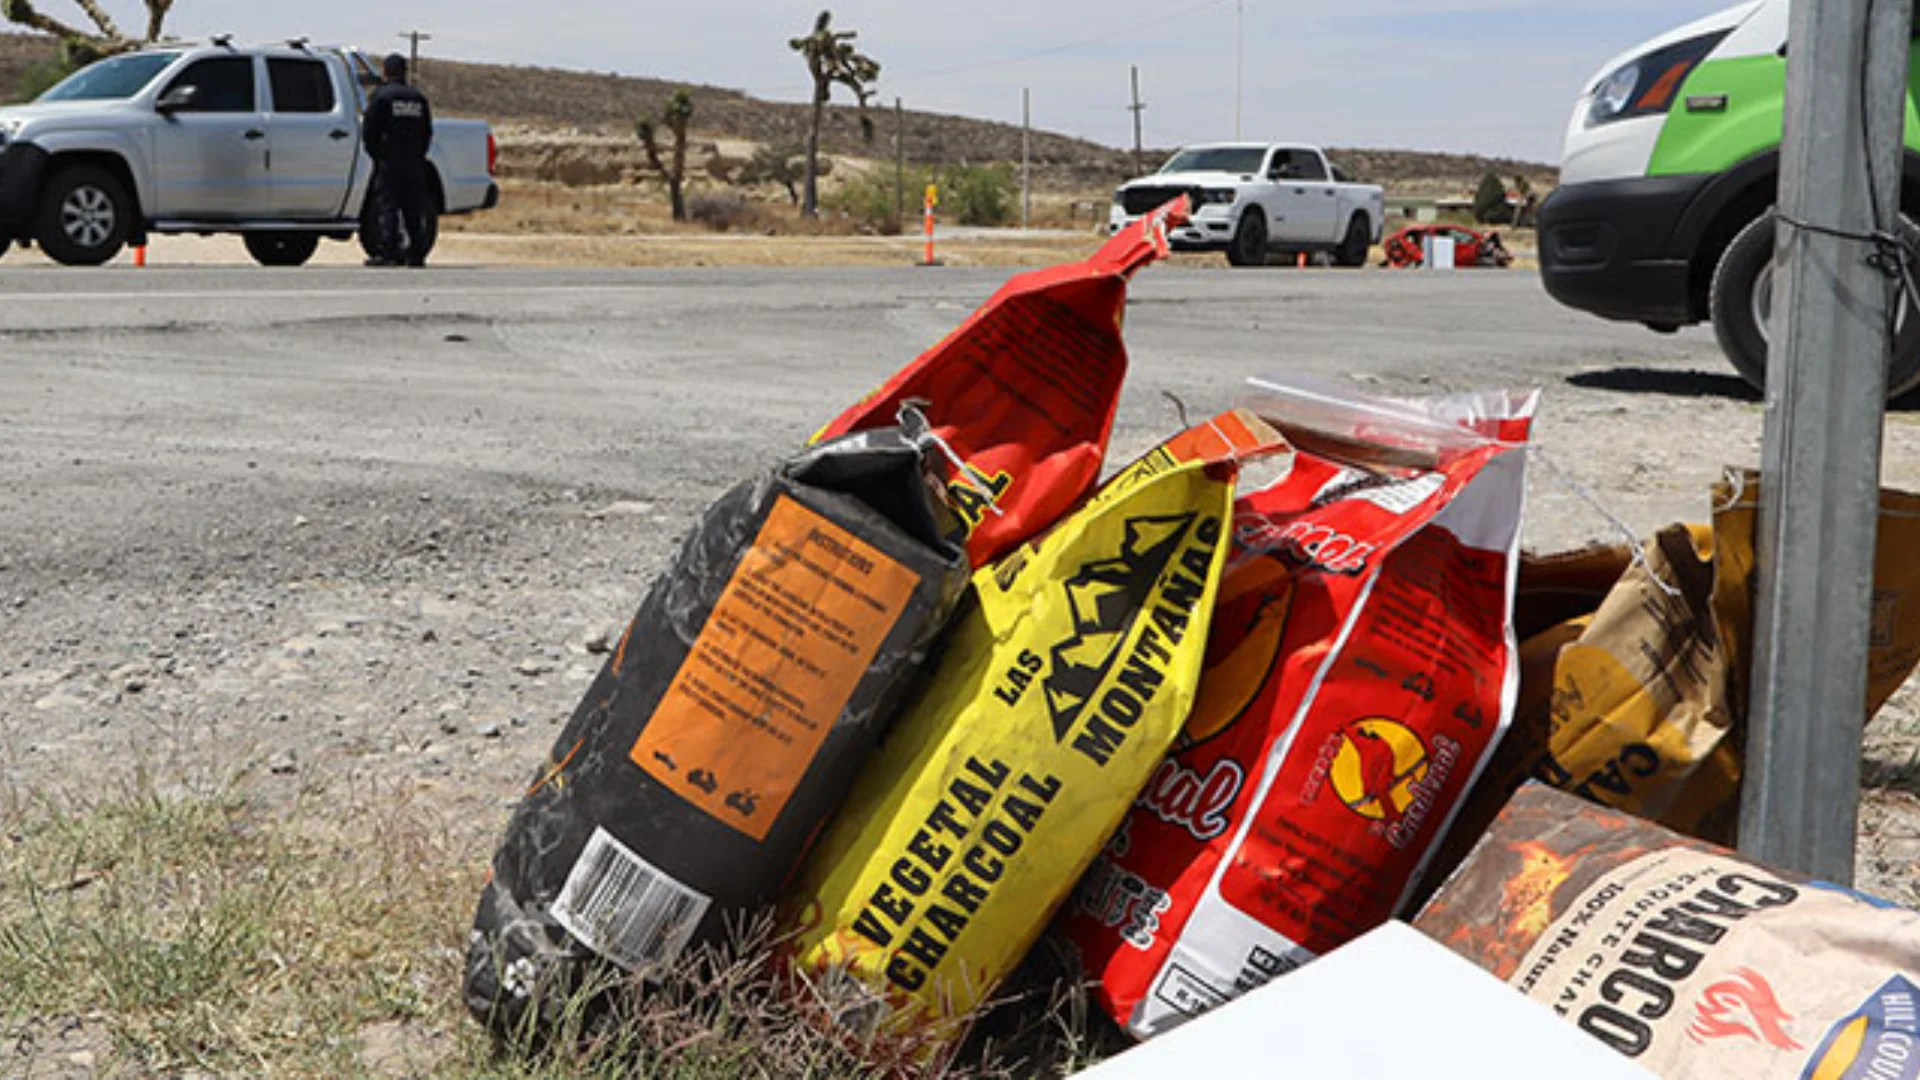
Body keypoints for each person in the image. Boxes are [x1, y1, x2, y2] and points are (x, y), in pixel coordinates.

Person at [363, 54, 434, 267]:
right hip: (413, 162)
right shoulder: (418, 98)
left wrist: (377, 155)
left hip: (389, 161)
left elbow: (369, 131)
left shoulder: (382, 97)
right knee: (413, 208)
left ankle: (388, 252)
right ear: (404, 72)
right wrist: (418, 156)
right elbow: (427, 132)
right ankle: (417, 254)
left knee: (388, 206)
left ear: (385, 71)